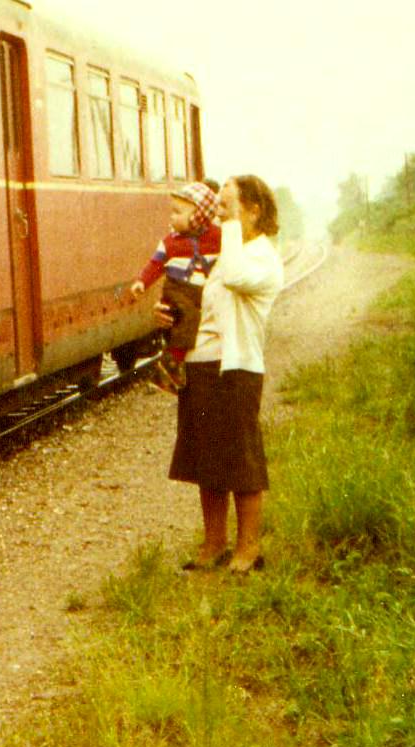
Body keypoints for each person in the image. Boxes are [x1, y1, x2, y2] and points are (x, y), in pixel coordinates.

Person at [158, 175, 285, 574]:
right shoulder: (224, 253)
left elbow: (234, 278)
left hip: (236, 369)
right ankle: (214, 543)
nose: (218, 216)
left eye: (227, 208)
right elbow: (202, 306)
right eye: (218, 209)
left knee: (241, 460)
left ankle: (248, 549)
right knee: (205, 461)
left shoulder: (261, 257)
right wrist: (168, 315)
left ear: (254, 210)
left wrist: (227, 228)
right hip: (200, 365)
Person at [129, 181, 222, 391]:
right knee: (183, 318)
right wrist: (142, 282)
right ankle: (172, 363)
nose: (172, 217)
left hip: (202, 291)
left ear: (199, 216)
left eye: (178, 212)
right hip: (177, 289)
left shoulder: (218, 237)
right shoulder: (170, 242)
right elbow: (156, 263)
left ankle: (173, 364)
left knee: (193, 319)